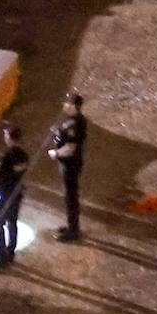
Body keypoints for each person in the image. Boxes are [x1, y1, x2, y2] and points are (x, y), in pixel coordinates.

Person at [0, 123, 28, 271]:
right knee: (12, 222)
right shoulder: (24, 156)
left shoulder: (5, 157)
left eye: (5, 135)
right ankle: (10, 252)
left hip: (3, 194)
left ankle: (1, 258)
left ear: (9, 138)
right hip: (17, 194)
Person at [47, 90, 87, 242]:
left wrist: (55, 154)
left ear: (73, 106)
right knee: (69, 196)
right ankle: (72, 225)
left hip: (70, 165)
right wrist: (58, 131)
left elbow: (70, 148)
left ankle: (73, 231)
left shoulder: (75, 124)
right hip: (69, 164)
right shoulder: (72, 120)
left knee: (70, 197)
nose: (64, 105)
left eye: (67, 103)